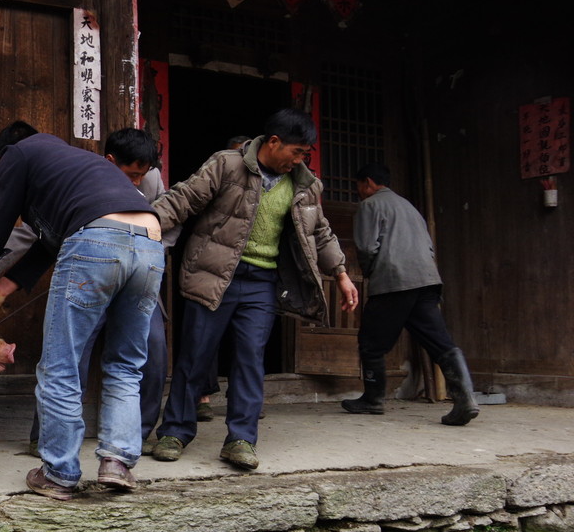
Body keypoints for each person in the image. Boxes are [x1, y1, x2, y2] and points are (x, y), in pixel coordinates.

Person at [0, 121, 164, 500]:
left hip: (97, 238)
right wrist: (5, 286)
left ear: (6, 152)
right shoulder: (76, 165)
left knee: (61, 364)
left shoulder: (19, 152)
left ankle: (59, 473)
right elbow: (49, 242)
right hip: (150, 243)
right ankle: (117, 462)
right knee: (126, 363)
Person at [149, 108, 358, 470]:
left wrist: (340, 273)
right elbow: (185, 198)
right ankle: (175, 432)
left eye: (304, 155)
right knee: (195, 355)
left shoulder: (306, 185)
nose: (299, 160)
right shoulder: (227, 165)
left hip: (261, 283)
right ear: (273, 142)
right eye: (296, 152)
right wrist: (144, 223)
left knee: (250, 358)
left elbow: (320, 231)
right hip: (214, 274)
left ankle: (241, 439)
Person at [14, 128, 168, 456]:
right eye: (132, 174)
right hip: (94, 266)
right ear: (110, 161)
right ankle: (45, 440)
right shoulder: (83, 176)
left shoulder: (151, 180)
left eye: (143, 174)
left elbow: (163, 219)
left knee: (147, 351)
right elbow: (34, 232)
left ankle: (125, 447)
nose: (137, 183)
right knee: (72, 357)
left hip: (140, 265)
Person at [341, 162, 478, 424]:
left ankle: (373, 399)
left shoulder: (370, 205)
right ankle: (465, 400)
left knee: (371, 342)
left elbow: (367, 247)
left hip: (394, 281)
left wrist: (371, 273)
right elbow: (427, 245)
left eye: (359, 186)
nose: (358, 191)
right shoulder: (409, 207)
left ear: (367, 183)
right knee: (440, 342)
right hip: (427, 279)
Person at [193, 134, 250, 423]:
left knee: (248, 341)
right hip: (213, 268)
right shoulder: (219, 172)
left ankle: (241, 400)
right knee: (206, 338)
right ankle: (202, 396)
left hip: (248, 273)